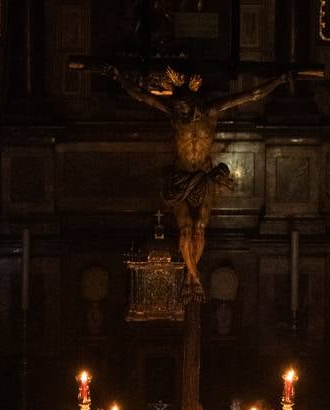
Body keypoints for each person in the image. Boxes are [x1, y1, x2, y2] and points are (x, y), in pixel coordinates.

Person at [86, 62, 291, 294]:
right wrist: (119, 78)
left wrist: (279, 81)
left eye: (184, 108)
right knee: (185, 230)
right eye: (178, 109)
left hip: (202, 178)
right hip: (180, 179)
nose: (180, 112)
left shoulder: (212, 112)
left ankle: (191, 277)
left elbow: (251, 95)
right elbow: (144, 97)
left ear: (193, 103)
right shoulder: (174, 115)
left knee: (199, 229)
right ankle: (193, 277)